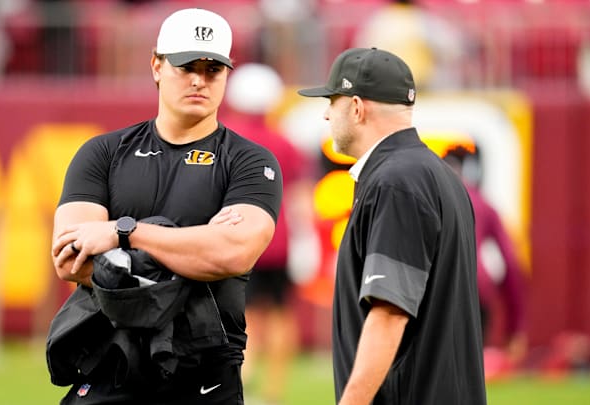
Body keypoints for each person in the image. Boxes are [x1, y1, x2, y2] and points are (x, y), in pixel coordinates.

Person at [49, 8, 283, 405]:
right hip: (110, 362)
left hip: (206, 373)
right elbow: (72, 259)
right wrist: (194, 247)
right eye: (186, 66)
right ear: (157, 65)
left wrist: (124, 234)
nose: (199, 79)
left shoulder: (249, 161)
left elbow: (233, 252)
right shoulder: (102, 153)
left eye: (213, 70)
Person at [298, 48, 486, 405]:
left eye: (332, 102)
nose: (325, 114)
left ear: (356, 107)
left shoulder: (396, 181)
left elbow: (389, 313)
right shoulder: (437, 174)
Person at [224, 63, 317, 404]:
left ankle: (241, 381)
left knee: (237, 314)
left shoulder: (223, 137)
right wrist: (306, 242)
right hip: (278, 242)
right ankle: (274, 390)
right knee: (280, 314)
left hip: (232, 240)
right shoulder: (286, 142)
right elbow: (301, 199)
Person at [442, 144, 527, 368]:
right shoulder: (484, 205)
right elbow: (511, 263)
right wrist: (514, 326)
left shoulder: (428, 197)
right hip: (476, 290)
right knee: (469, 370)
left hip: (436, 290)